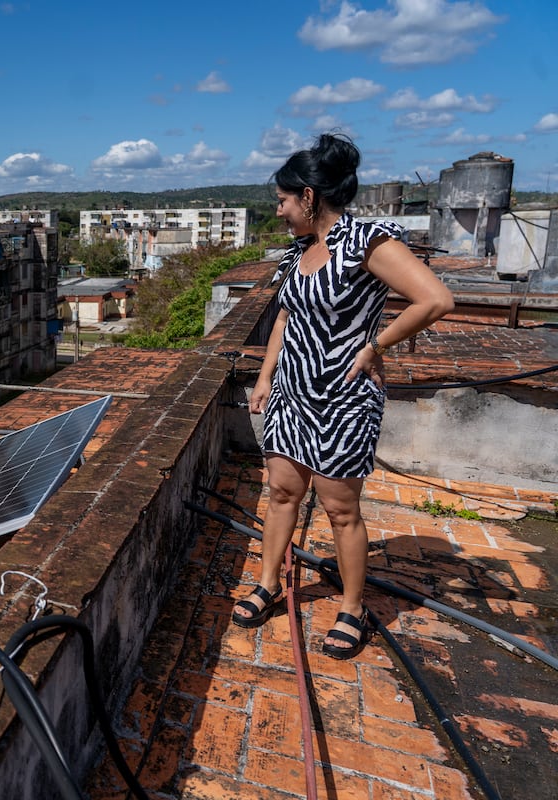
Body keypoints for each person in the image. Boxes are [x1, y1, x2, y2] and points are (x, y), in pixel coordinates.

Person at [232, 133, 454, 659]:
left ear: (309, 196)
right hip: (291, 393)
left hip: (343, 398)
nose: (280, 211)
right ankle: (268, 582)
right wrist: (266, 378)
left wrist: (377, 345)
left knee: (339, 508)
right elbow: (286, 315)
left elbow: (435, 298)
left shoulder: (367, 241)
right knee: (283, 491)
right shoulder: (297, 251)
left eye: (284, 201)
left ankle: (353, 608)